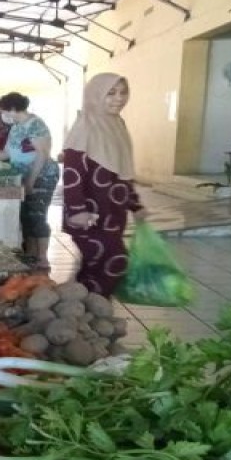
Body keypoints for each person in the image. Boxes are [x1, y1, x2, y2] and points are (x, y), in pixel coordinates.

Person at [63, 73, 145, 295]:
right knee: (115, 260)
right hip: (89, 214)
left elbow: (123, 170)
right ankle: (87, 305)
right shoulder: (85, 125)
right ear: (95, 95)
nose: (119, 98)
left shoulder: (117, 124)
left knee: (95, 267)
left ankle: (84, 311)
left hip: (114, 212)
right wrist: (77, 210)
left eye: (123, 92)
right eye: (111, 93)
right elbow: (72, 172)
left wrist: (134, 204)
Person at [0, 92, 61, 271]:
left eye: (3, 110)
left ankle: (42, 257)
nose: (3, 115)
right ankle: (31, 254)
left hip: (42, 176)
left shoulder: (35, 125)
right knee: (25, 216)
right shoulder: (17, 126)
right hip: (23, 176)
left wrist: (30, 182)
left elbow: (42, 155)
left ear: (12, 108)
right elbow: (6, 153)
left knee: (37, 215)